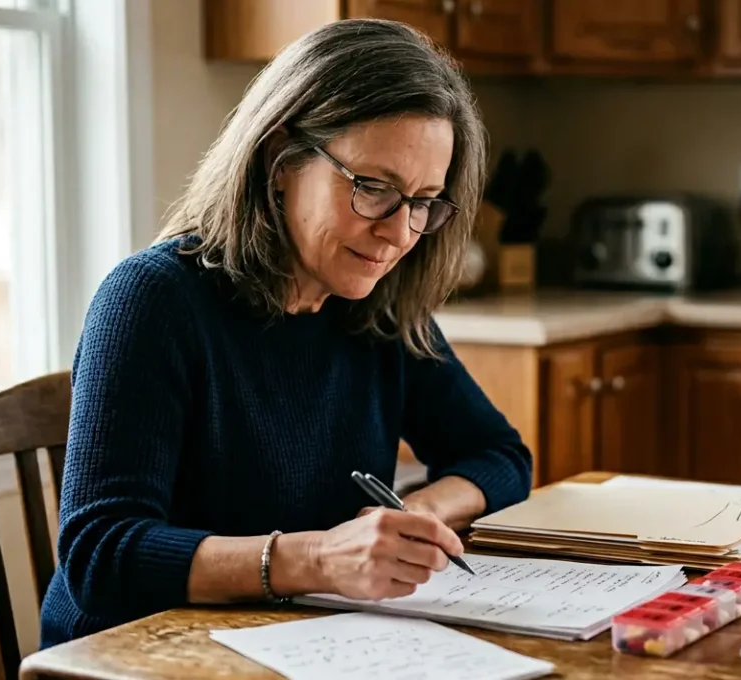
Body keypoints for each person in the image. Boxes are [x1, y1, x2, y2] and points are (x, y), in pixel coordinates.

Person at [39, 19, 534, 647]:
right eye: (374, 188)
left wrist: (415, 518)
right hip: (140, 652)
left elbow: (499, 456)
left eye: (424, 201)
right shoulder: (153, 299)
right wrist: (321, 559)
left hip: (301, 639)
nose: (399, 232)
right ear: (280, 160)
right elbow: (99, 555)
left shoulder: (378, 305)